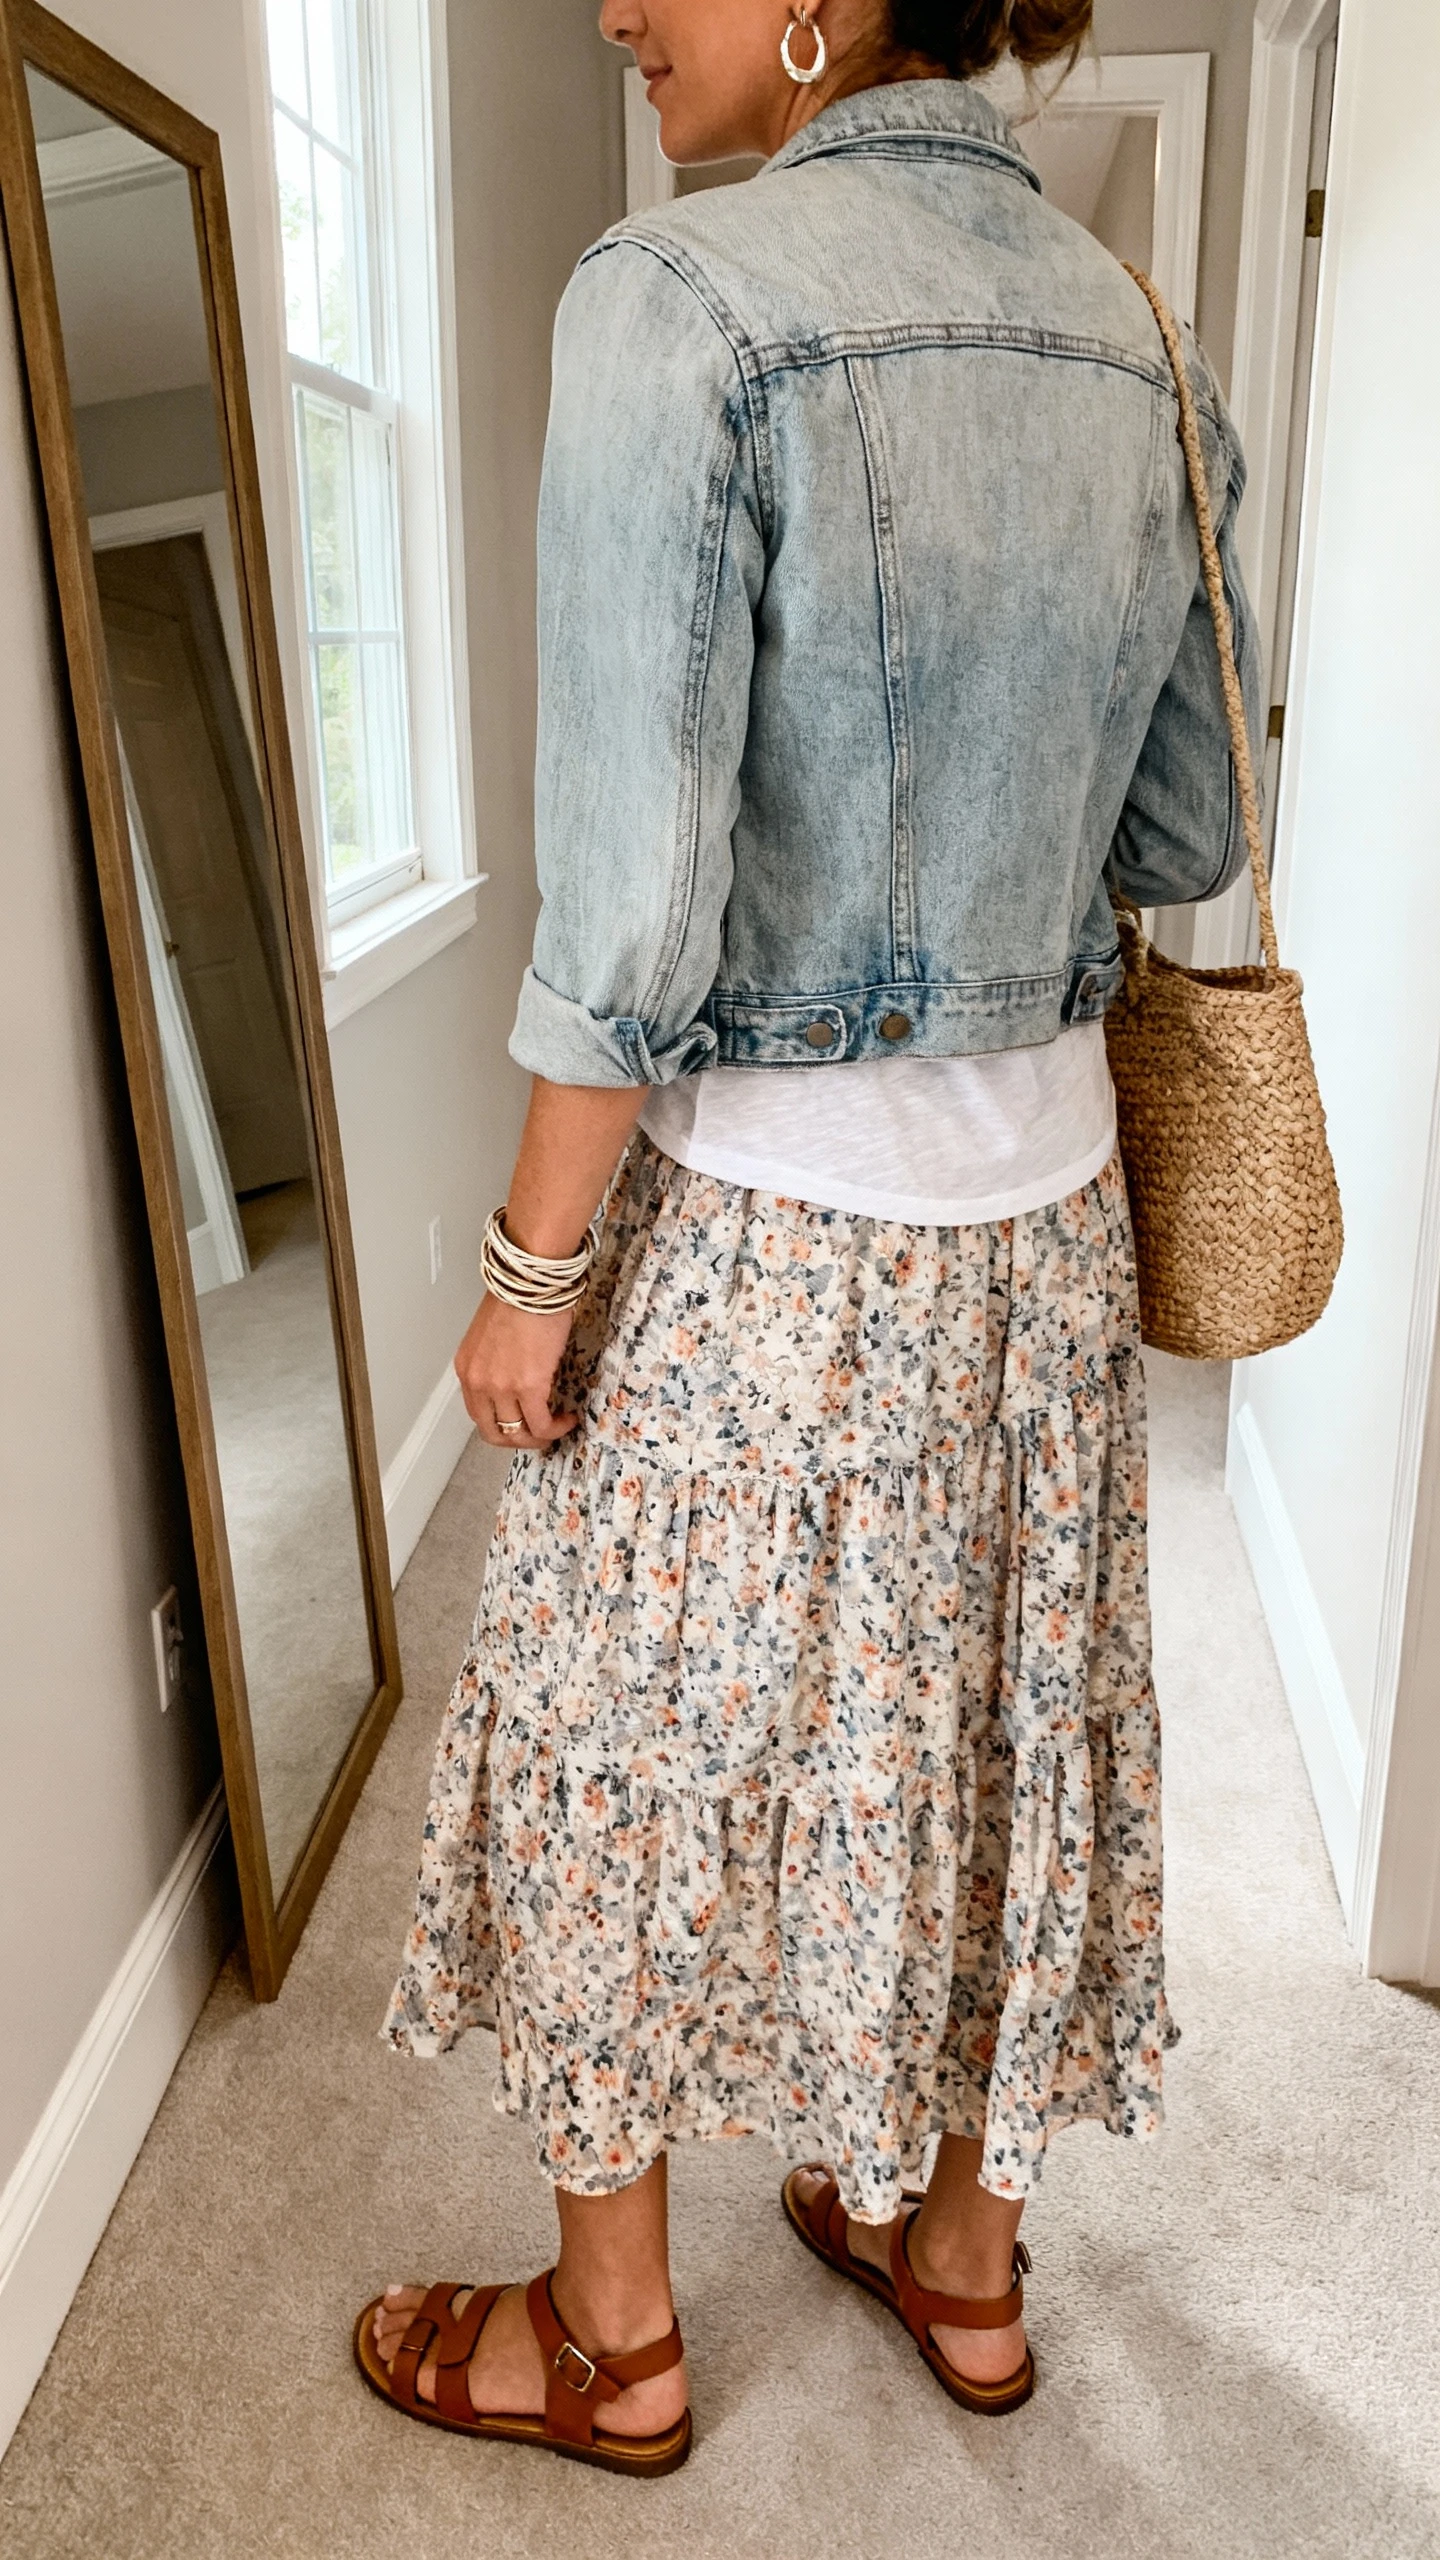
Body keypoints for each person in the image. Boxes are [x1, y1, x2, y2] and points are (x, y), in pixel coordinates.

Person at [356, 0, 1261, 2473]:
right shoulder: (1143, 334)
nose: (621, 17)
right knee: (982, 1720)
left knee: (612, 1738)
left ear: (821, 3)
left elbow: (629, 918)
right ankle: (961, 2260)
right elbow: (1181, 830)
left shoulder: (685, 302)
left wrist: (533, 1274)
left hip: (766, 1225)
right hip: (1045, 1225)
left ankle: (615, 2335)